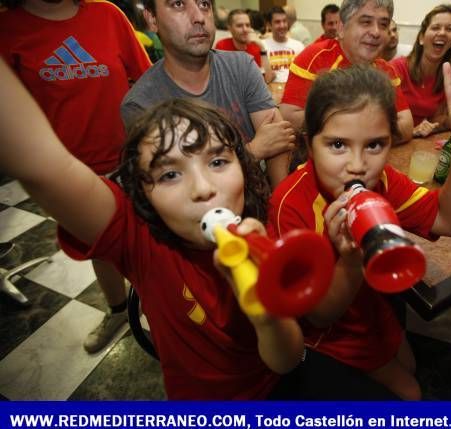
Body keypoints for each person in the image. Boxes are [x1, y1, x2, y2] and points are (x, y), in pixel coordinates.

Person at [0, 60, 305, 399]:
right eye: (169, 174)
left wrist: (267, 314)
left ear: (244, 168)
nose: (202, 188)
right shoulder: (139, 240)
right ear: (144, 196)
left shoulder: (268, 237)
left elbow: (287, 361)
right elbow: (40, 163)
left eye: (218, 162)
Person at [269, 64, 451, 399]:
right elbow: (318, 317)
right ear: (309, 143)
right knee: (410, 393)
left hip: (369, 306)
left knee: (409, 366)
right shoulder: (289, 205)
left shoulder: (385, 181)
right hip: (324, 336)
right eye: (337, 145)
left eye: (375, 145)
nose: (358, 164)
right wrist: (349, 261)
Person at [0, 0, 152, 354]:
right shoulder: (8, 28)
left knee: (149, 243)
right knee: (101, 247)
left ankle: (159, 310)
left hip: (130, 160)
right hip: (69, 175)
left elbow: (147, 78)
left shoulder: (107, 14)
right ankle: (118, 311)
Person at [121, 0, 296, 187]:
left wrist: (278, 208)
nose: (198, 17)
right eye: (179, 4)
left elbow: (278, 137)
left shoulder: (242, 67)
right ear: (152, 19)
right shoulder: (141, 104)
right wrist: (252, 152)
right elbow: (177, 184)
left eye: (204, 4)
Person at [280, 0, 414, 144]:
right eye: (366, 22)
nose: (376, 32)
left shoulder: (387, 71)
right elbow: (289, 117)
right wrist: (371, 130)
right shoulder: (314, 58)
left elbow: (406, 125)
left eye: (383, 24)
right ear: (342, 28)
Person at [391, 4, 451, 138]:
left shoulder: (446, 76)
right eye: (435, 27)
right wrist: (411, 132)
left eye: (449, 29)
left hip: (421, 144)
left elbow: (437, 119)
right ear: (421, 38)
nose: (442, 33)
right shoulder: (396, 69)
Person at [214, 9, 275, 83]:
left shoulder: (255, 46)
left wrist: (262, 47)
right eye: (239, 26)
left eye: (248, 25)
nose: (245, 29)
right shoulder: (222, 46)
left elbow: (267, 79)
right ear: (229, 28)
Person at [262, 6, 304, 85]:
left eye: (284, 21)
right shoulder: (263, 46)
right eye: (277, 22)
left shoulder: (299, 46)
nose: (282, 26)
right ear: (269, 25)